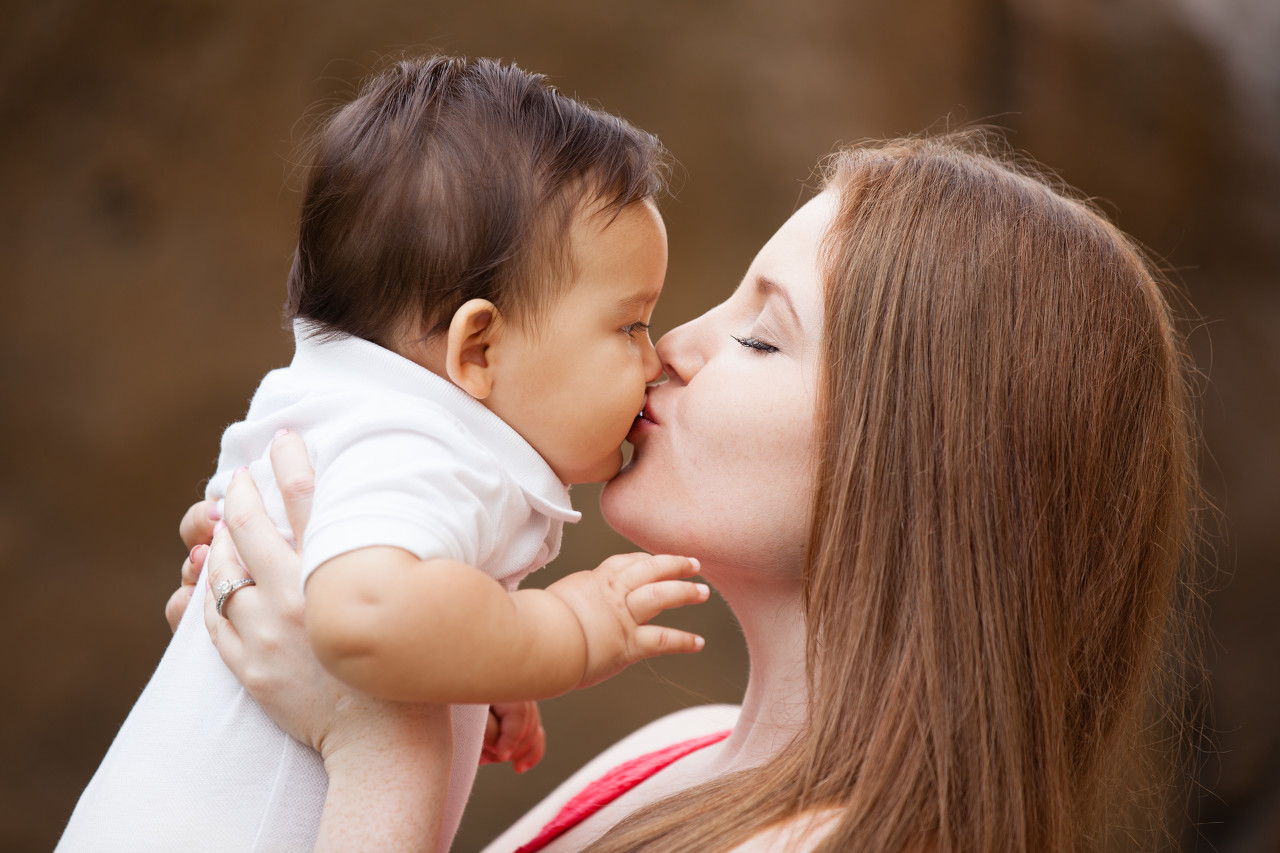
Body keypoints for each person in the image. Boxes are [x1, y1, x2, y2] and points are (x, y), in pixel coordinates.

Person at [171, 130, 1203, 852]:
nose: (671, 348)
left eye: (760, 335)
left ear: (922, 460)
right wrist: (292, 681)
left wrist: (370, 735)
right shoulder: (679, 753)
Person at [57, 56, 711, 853]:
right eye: (630, 325)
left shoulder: (356, 416)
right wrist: (562, 628)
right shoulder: (414, 444)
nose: (656, 358)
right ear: (479, 348)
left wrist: (472, 659)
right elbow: (365, 615)